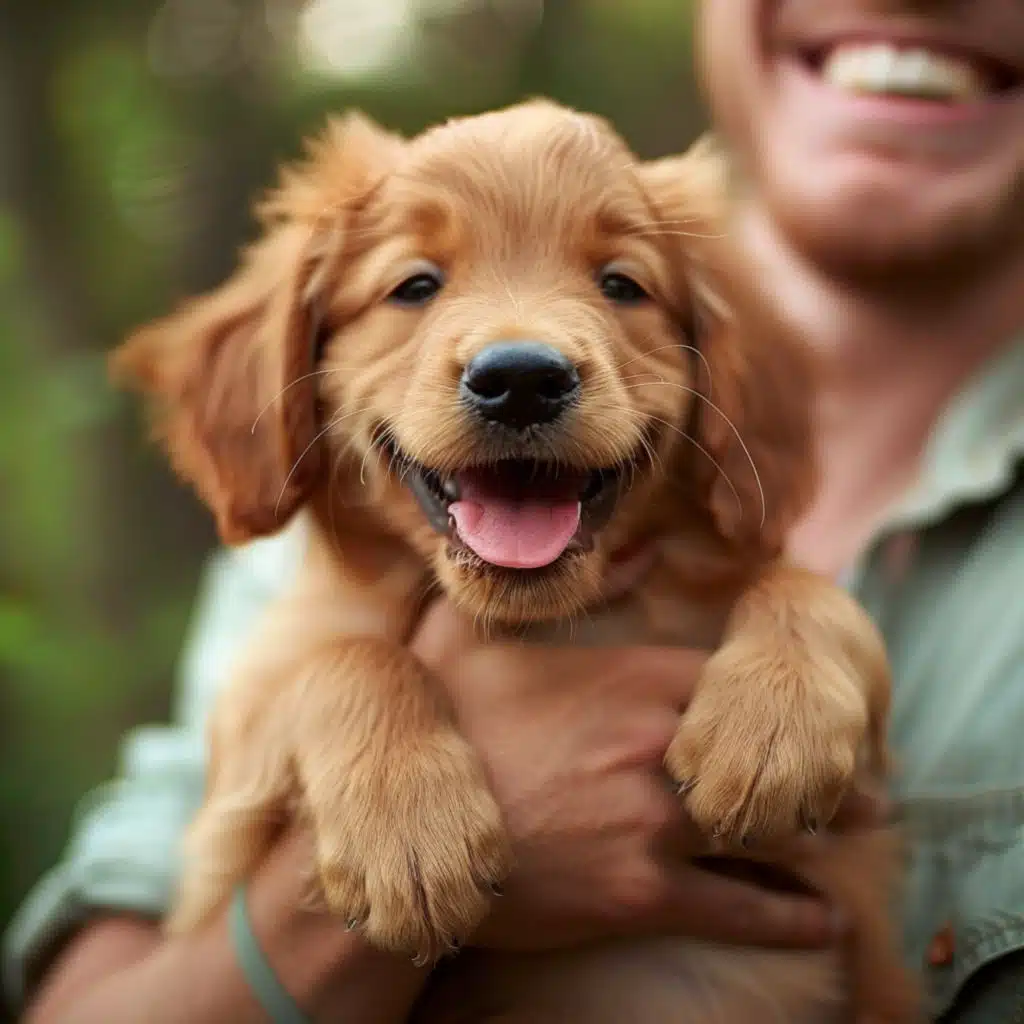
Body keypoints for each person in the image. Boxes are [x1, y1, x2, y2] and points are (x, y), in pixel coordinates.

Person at [6, 0, 1024, 1020]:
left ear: (722, 370)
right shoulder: (305, 590)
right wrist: (363, 760)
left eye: (619, 283)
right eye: (413, 283)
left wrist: (807, 627)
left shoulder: (753, 568)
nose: (521, 349)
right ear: (297, 366)